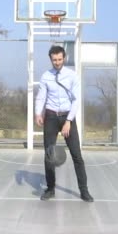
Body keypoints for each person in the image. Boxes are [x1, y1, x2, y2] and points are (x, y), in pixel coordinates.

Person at [35, 45, 94, 202]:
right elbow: (41, 96)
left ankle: (84, 191)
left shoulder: (72, 76)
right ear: (50, 59)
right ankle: (50, 189)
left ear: (64, 58)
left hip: (68, 116)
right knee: (49, 155)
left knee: (77, 155)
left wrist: (68, 121)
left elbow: (76, 100)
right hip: (51, 116)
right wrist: (38, 113)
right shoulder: (46, 76)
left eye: (60, 59)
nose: (57, 62)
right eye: (54, 60)